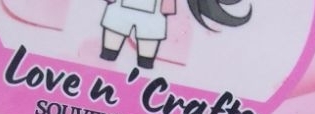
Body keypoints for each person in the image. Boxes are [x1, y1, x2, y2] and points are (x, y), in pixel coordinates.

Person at [99, 0, 251, 69]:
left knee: (146, 57)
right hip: (120, 11)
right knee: (110, 50)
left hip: (153, 15)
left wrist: (167, 7)